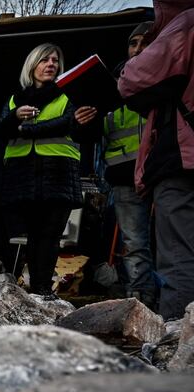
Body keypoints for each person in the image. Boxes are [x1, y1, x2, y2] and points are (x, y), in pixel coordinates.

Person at [118, 0, 194, 321]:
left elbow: (131, 80)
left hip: (181, 163)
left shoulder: (187, 22)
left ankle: (177, 350)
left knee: (179, 257)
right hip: (139, 175)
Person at [0, 43, 90, 296]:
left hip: (58, 173)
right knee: (32, 236)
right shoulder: (15, 100)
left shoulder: (68, 94)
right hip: (23, 175)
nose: (51, 64)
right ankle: (33, 291)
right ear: (32, 65)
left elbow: (68, 123)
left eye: (55, 61)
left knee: (49, 236)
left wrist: (26, 129)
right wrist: (15, 117)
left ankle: (43, 290)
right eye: (44, 60)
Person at [74, 22, 156, 308]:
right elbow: (94, 135)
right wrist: (85, 121)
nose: (138, 49)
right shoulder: (111, 84)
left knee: (173, 243)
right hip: (123, 175)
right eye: (133, 43)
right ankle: (141, 303)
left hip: (164, 173)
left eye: (145, 42)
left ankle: (176, 305)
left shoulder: (167, 77)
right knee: (134, 243)